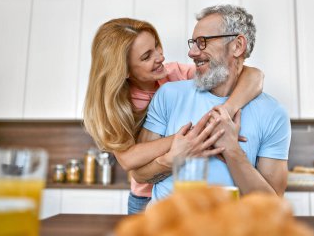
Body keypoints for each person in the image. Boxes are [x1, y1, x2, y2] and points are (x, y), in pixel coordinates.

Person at [83, 18, 264, 214]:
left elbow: (254, 76)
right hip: (145, 199)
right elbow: (128, 160)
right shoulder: (116, 104)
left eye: (156, 47)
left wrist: (223, 114)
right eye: (146, 57)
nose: (160, 57)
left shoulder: (176, 75)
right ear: (124, 70)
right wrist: (190, 138)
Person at [131, 4, 291, 201]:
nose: (192, 53)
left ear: (238, 45)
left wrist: (232, 150)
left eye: (202, 42)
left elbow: (271, 205)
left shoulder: (273, 113)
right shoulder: (168, 95)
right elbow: (139, 174)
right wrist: (177, 158)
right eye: (193, 43)